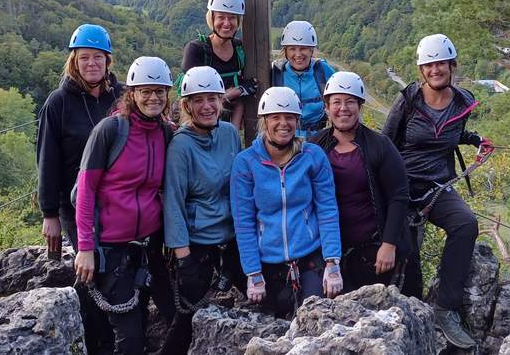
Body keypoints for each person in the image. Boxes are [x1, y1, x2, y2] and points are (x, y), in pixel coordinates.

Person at [382, 34, 494, 350]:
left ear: (451, 66)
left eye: (441, 63)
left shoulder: (462, 102)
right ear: (422, 69)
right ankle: (412, 312)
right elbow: (386, 141)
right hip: (402, 184)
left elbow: (450, 133)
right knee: (408, 250)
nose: (436, 70)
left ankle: (445, 307)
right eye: (430, 65)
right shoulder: (408, 100)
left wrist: (474, 139)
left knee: (465, 224)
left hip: (437, 186)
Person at [73, 56, 176, 355]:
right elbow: (85, 191)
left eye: (159, 91)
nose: (153, 97)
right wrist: (85, 247)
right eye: (145, 91)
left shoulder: (165, 133)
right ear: (132, 93)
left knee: (146, 321)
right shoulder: (110, 131)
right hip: (109, 247)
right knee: (129, 335)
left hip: (147, 246)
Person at [36, 23, 122, 354]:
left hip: (116, 200)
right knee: (92, 268)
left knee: (119, 267)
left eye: (98, 58)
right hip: (73, 203)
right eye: (84, 58)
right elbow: (47, 159)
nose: (91, 64)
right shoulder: (58, 103)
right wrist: (49, 213)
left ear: (107, 61)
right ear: (74, 61)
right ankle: (96, 339)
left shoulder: (121, 96)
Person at [230, 86, 342, 319]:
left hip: (309, 257)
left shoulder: (312, 156)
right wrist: (253, 273)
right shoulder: (246, 163)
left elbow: (327, 209)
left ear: (298, 120)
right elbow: (244, 221)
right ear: (264, 122)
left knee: (314, 319)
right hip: (268, 264)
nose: (284, 123)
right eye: (276, 117)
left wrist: (332, 262)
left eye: (290, 117)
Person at [160, 66, 245, 355]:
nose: (207, 106)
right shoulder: (180, 146)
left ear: (222, 101)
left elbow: (241, 185)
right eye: (198, 100)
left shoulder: (230, 134)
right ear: (186, 106)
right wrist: (184, 259)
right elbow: (173, 202)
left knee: (266, 299)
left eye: (213, 98)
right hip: (198, 247)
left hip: (232, 241)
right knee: (186, 317)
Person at [310, 72, 410, 292]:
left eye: (350, 102)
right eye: (336, 102)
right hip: (327, 250)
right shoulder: (315, 145)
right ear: (327, 108)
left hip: (371, 249)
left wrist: (389, 244)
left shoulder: (379, 146)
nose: (343, 108)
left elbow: (399, 195)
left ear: (359, 107)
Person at [177, 0, 257, 129]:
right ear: (212, 18)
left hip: (227, 126)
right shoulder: (197, 50)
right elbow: (193, 98)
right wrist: (236, 91)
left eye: (232, 18)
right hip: (196, 126)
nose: (226, 23)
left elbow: (240, 101)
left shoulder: (239, 49)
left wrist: (232, 134)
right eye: (221, 17)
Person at [270, 21, 336, 139]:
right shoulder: (276, 73)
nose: (298, 54)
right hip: (285, 139)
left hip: (319, 138)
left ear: (311, 50)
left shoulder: (322, 70)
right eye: (292, 49)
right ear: (285, 51)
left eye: (303, 48)